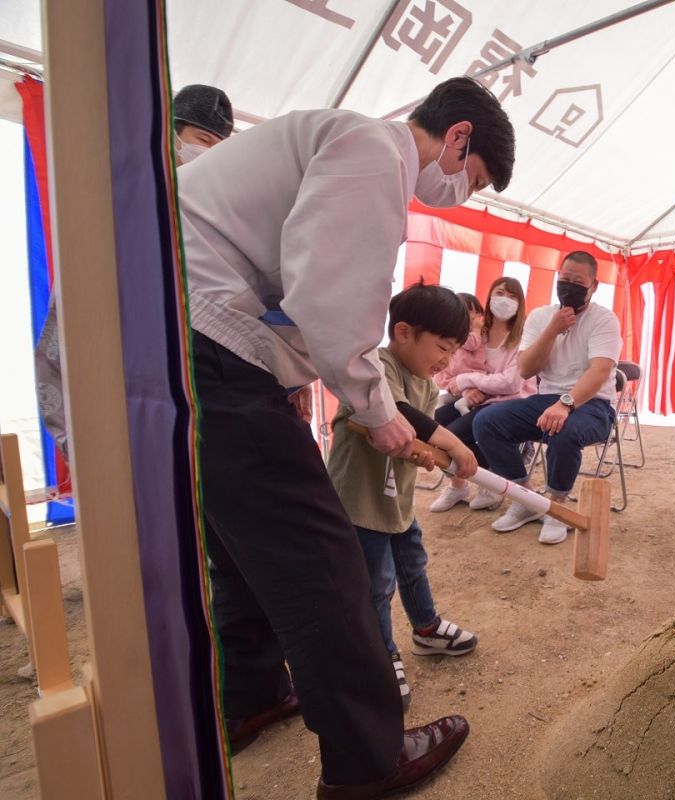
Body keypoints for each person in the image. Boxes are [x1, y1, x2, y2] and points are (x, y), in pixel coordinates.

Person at [181, 76, 514, 798]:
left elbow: (297, 291)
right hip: (208, 338)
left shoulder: (341, 140)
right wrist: (382, 415)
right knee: (324, 556)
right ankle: (369, 757)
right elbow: (331, 307)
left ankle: (250, 695)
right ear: (457, 138)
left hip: (191, 330)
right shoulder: (373, 151)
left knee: (241, 548)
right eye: (474, 176)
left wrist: (393, 417)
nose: (460, 192)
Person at [34, 83, 236, 460]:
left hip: (204, 404)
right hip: (128, 389)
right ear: (170, 135)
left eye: (221, 147)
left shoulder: (222, 217)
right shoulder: (123, 202)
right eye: (202, 139)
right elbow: (70, 321)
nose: (209, 154)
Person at [327, 283, 480, 715]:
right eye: (442, 348)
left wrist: (431, 453)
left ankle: (426, 629)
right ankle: (382, 656)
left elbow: (414, 438)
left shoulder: (427, 386)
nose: (446, 361)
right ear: (405, 332)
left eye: (453, 352)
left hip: (397, 503)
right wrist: (451, 441)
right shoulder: (376, 366)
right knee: (376, 583)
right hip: (361, 503)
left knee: (413, 565)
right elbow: (395, 414)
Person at [473, 252, 620, 545]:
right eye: (564, 279)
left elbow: (600, 371)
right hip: (545, 400)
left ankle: (557, 505)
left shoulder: (604, 319)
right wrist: (553, 330)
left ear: (594, 285)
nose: (569, 286)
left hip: (594, 405)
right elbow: (527, 368)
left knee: (563, 430)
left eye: (578, 281)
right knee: (486, 421)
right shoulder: (541, 317)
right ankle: (525, 499)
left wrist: (565, 404)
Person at [429, 277, 535, 512]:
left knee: (455, 435)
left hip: (507, 402)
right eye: (500, 293)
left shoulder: (523, 336)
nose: (505, 300)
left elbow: (510, 383)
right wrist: (467, 387)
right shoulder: (478, 333)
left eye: (512, 296)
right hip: (475, 399)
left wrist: (467, 381)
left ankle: (488, 483)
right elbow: (454, 365)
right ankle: (458, 485)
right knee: (435, 426)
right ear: (489, 297)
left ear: (521, 303)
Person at [435, 293, 487, 418]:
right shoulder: (465, 333)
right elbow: (472, 344)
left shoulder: (457, 332)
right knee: (477, 391)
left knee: (452, 396)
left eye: (477, 312)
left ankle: (445, 403)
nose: (475, 316)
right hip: (465, 373)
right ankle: (460, 404)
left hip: (459, 376)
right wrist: (476, 330)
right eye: (471, 311)